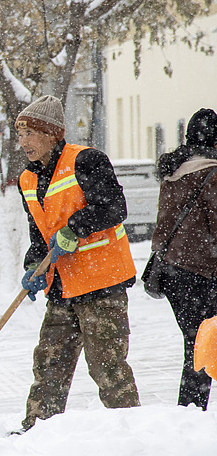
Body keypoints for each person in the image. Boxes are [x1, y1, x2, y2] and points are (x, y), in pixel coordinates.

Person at [15, 95, 140, 432]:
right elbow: (39, 234)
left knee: (106, 367)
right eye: (19, 134)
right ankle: (37, 431)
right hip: (62, 287)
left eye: (29, 133)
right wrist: (33, 267)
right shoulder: (27, 179)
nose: (23, 142)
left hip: (101, 283)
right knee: (49, 364)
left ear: (51, 133)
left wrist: (75, 228)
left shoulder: (87, 161)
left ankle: (132, 434)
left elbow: (113, 207)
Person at [152, 108, 217, 410]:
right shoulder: (210, 172)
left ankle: (189, 411)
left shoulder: (175, 172)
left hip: (172, 271)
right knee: (203, 346)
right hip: (202, 272)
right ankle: (191, 411)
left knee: (195, 344)